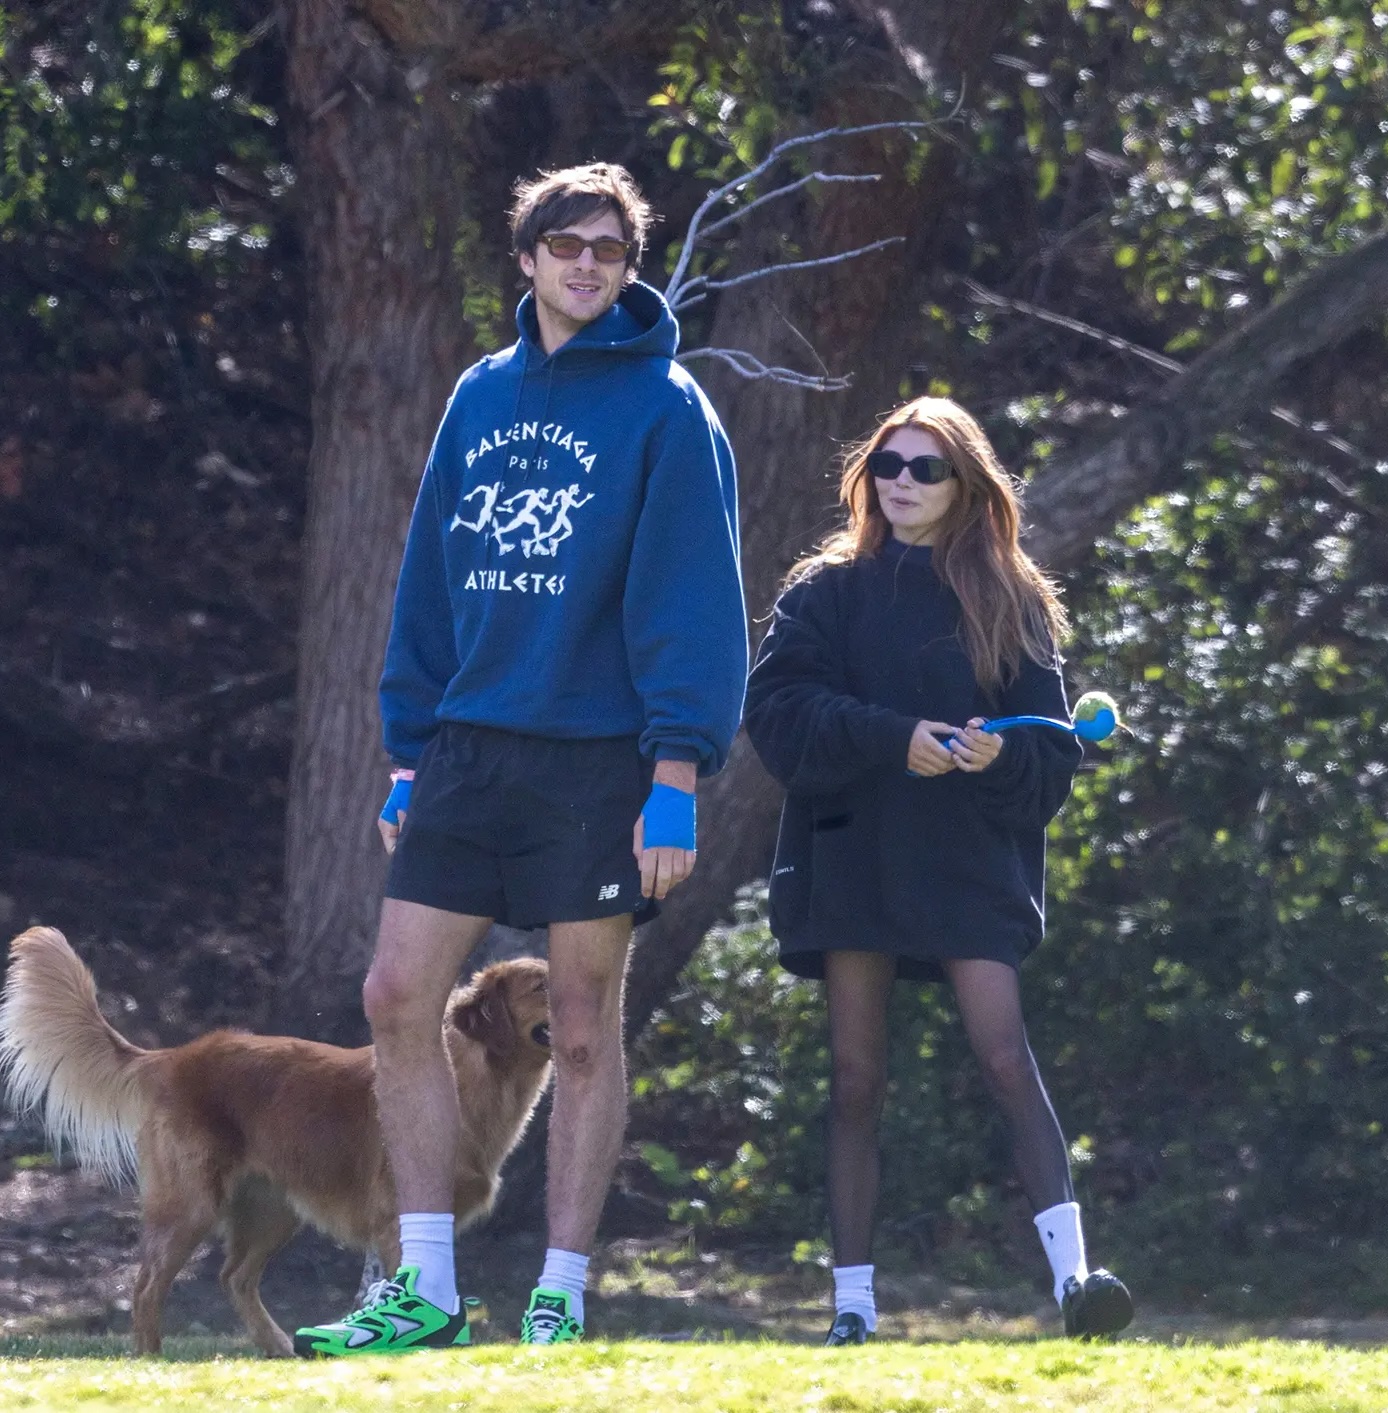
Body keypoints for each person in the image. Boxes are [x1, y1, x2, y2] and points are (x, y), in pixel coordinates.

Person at [294, 163, 748, 1354]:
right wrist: (407, 752)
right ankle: (427, 1290)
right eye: (566, 244)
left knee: (586, 1025)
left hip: (602, 761)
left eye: (608, 249)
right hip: (469, 749)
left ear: (628, 267)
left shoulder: (668, 408)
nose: (586, 264)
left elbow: (693, 605)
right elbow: (429, 582)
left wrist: (676, 775)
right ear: (529, 257)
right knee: (397, 995)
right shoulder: (480, 395)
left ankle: (560, 1290)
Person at [743, 396, 1132, 1344]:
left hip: (965, 860)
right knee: (853, 1075)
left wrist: (997, 757)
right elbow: (778, 713)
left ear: (966, 484)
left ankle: (1078, 1284)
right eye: (887, 463)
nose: (901, 483)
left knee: (1006, 1057)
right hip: (855, 855)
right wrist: (893, 741)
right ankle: (851, 1307)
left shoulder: (1011, 594)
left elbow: (1051, 753)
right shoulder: (823, 591)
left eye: (924, 468)